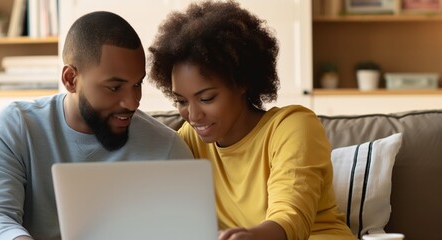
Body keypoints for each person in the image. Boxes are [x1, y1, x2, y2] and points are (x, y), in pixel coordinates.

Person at [0, 11, 193, 240]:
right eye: (115, 87)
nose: (133, 102)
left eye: (136, 84)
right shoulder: (18, 127)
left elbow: (191, 231)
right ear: (70, 79)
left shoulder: (167, 149)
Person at [148, 1, 356, 240]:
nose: (193, 116)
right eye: (182, 101)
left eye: (206, 98)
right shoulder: (189, 141)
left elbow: (291, 216)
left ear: (242, 83)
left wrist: (253, 236)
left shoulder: (292, 126)